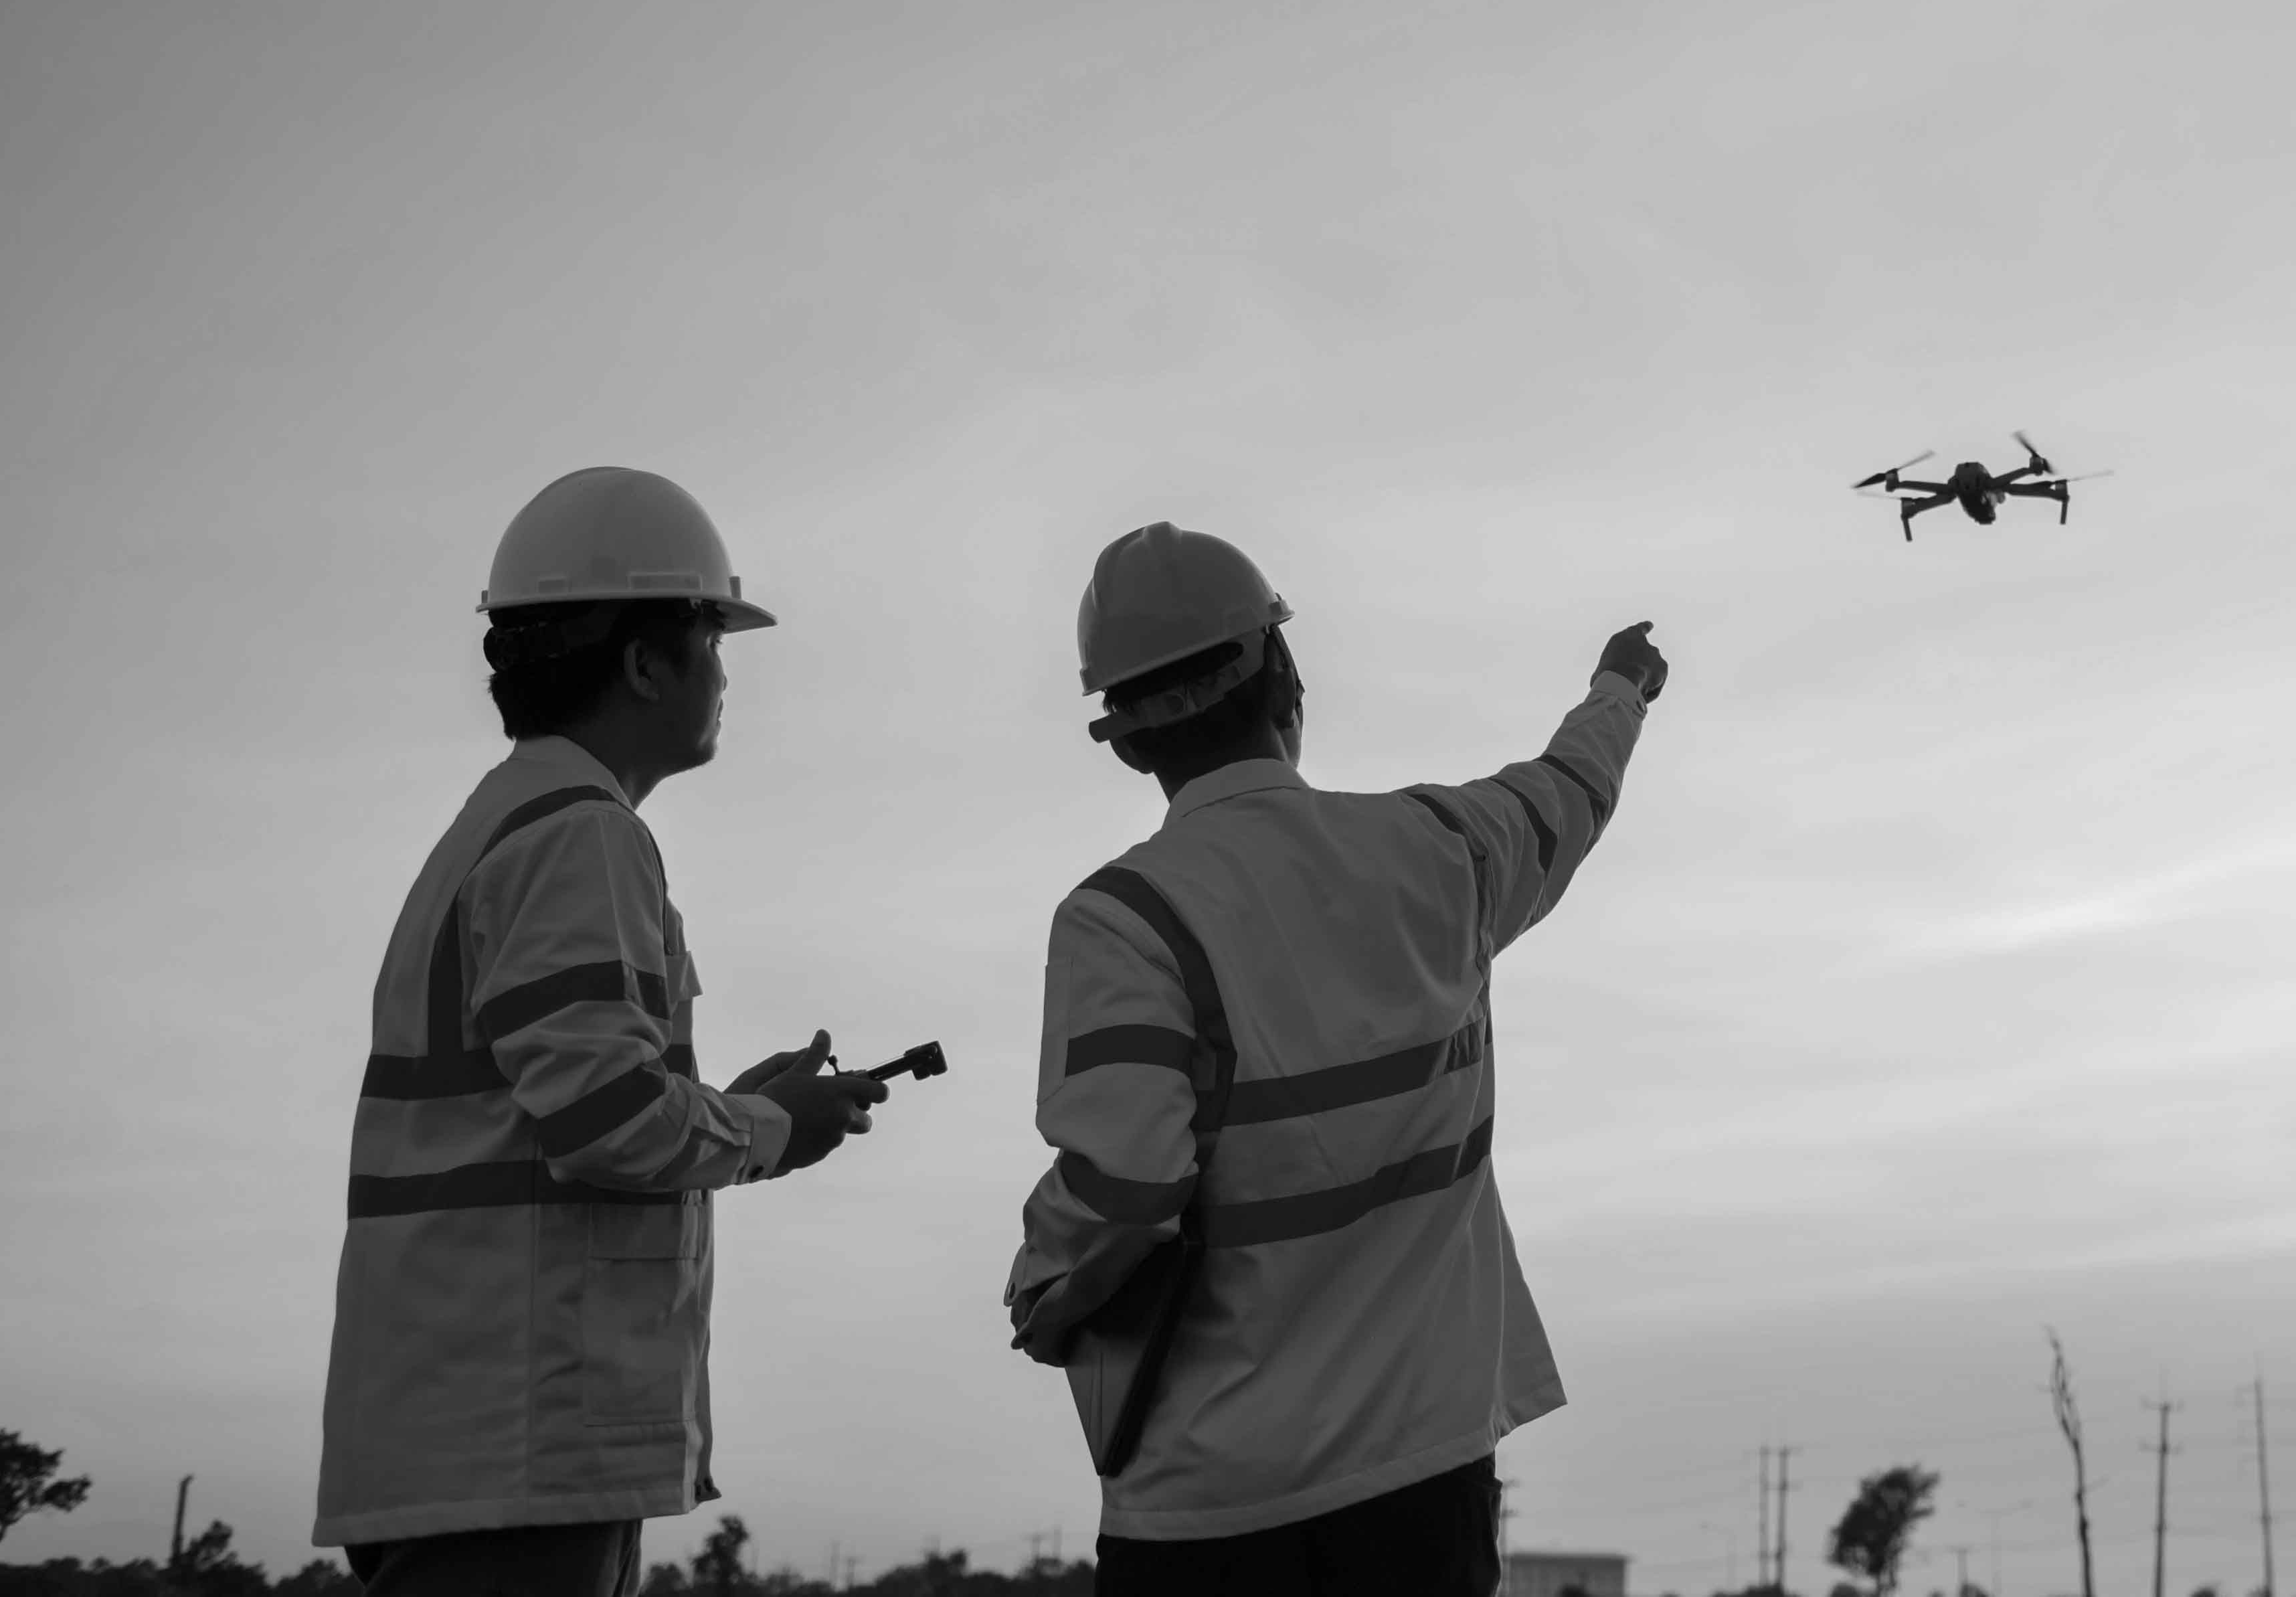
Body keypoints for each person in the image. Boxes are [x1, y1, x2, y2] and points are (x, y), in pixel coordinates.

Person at [1005, 521, 1668, 1595]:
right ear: (1286, 676)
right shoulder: (1444, 852)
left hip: (1207, 1506)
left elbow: (1124, 1189)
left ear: (1123, 737)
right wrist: (1621, 686)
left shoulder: (1120, 919)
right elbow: (1569, 794)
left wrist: (1040, 1283)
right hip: (1427, 1482)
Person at [314, 467, 891, 1596]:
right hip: (518, 1447)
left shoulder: (519, 823)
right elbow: (606, 1120)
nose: (724, 672)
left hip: (488, 1441)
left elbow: (576, 1102)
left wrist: (731, 1102)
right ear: (642, 662)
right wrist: (774, 1123)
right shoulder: (581, 835)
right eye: (711, 639)